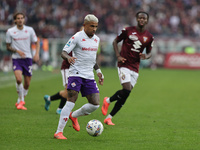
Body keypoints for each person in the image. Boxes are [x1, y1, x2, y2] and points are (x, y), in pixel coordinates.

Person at [54, 14, 104, 139]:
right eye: (91, 26)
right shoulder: (77, 37)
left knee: (95, 104)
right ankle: (59, 132)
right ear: (84, 25)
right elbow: (63, 52)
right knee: (71, 100)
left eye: (96, 26)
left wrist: (99, 71)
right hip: (76, 74)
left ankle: (74, 115)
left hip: (89, 75)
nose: (94, 29)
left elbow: (92, 59)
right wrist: (68, 57)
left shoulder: (97, 39)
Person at [101, 11, 154, 125]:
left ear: (147, 21)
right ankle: (108, 102)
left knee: (126, 94)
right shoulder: (128, 30)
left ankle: (109, 115)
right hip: (124, 64)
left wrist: (146, 56)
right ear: (136, 19)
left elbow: (150, 52)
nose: (142, 20)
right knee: (126, 89)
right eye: (140, 18)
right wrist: (118, 56)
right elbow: (115, 41)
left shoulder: (149, 37)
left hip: (135, 68)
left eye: (144, 18)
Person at [6, 12, 40, 110]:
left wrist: (36, 54)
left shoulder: (29, 30)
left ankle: (20, 99)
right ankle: (21, 101)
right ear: (15, 20)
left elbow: (37, 42)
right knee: (19, 79)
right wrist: (17, 51)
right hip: (16, 59)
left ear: (24, 19)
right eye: (18, 18)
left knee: (27, 83)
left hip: (28, 58)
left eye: (22, 18)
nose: (20, 20)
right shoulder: (10, 31)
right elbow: (7, 46)